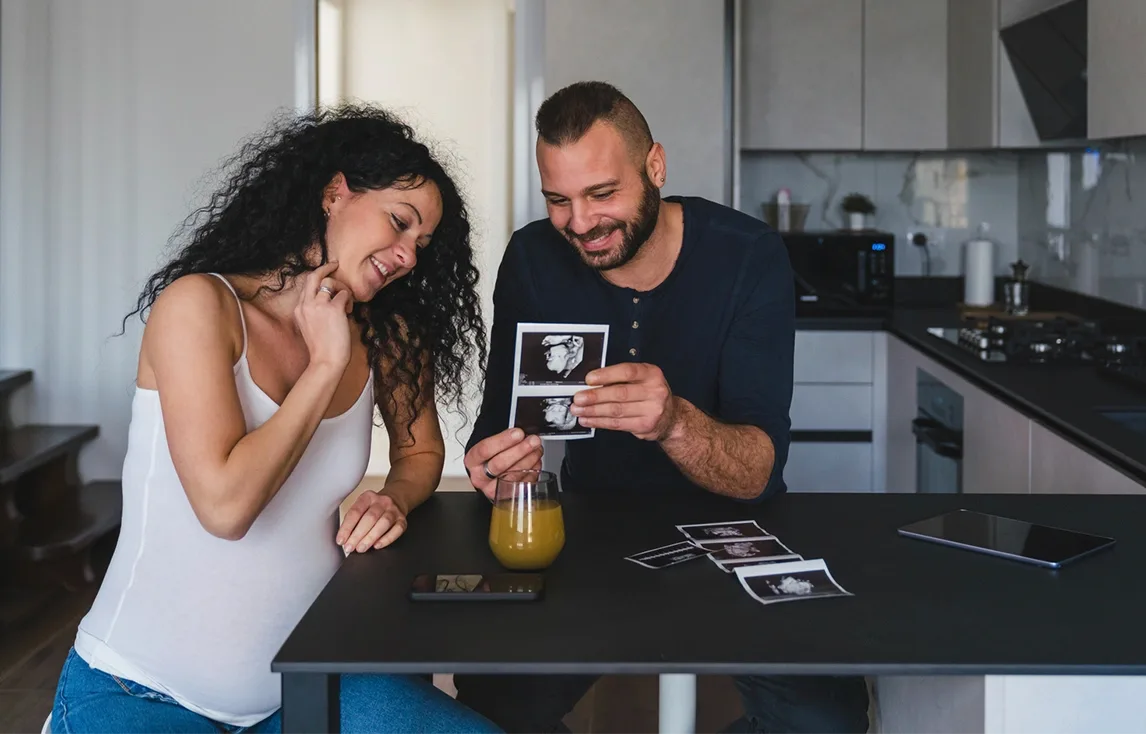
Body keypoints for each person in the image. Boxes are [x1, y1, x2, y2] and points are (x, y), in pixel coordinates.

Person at [49, 105, 501, 733]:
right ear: (335, 193)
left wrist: (394, 497)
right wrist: (324, 365)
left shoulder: (388, 335)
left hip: (309, 685)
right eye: (399, 223)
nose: (407, 256)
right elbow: (226, 508)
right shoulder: (201, 306)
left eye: (421, 244)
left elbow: (421, 454)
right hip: (139, 691)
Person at [456, 81, 870, 734]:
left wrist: (674, 420)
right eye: (558, 200)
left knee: (825, 721)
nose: (581, 223)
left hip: (739, 528)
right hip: (589, 524)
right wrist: (496, 466)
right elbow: (500, 425)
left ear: (655, 166)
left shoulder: (748, 256)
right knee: (491, 706)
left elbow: (757, 470)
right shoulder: (535, 258)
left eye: (601, 193)